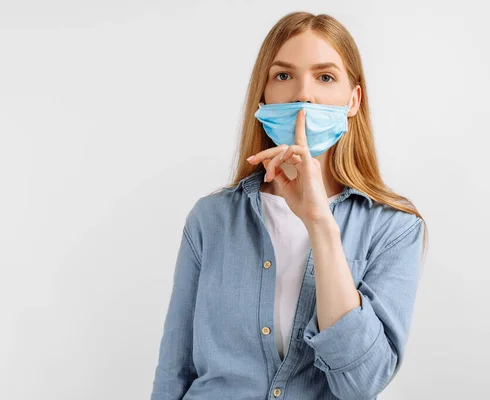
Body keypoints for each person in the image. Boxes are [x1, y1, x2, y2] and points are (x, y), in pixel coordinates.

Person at [150, 11, 428, 400]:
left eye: (325, 77)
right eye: (283, 75)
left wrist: (319, 223)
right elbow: (174, 370)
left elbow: (363, 384)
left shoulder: (395, 228)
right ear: (262, 97)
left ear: (353, 100)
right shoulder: (210, 219)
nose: (303, 94)